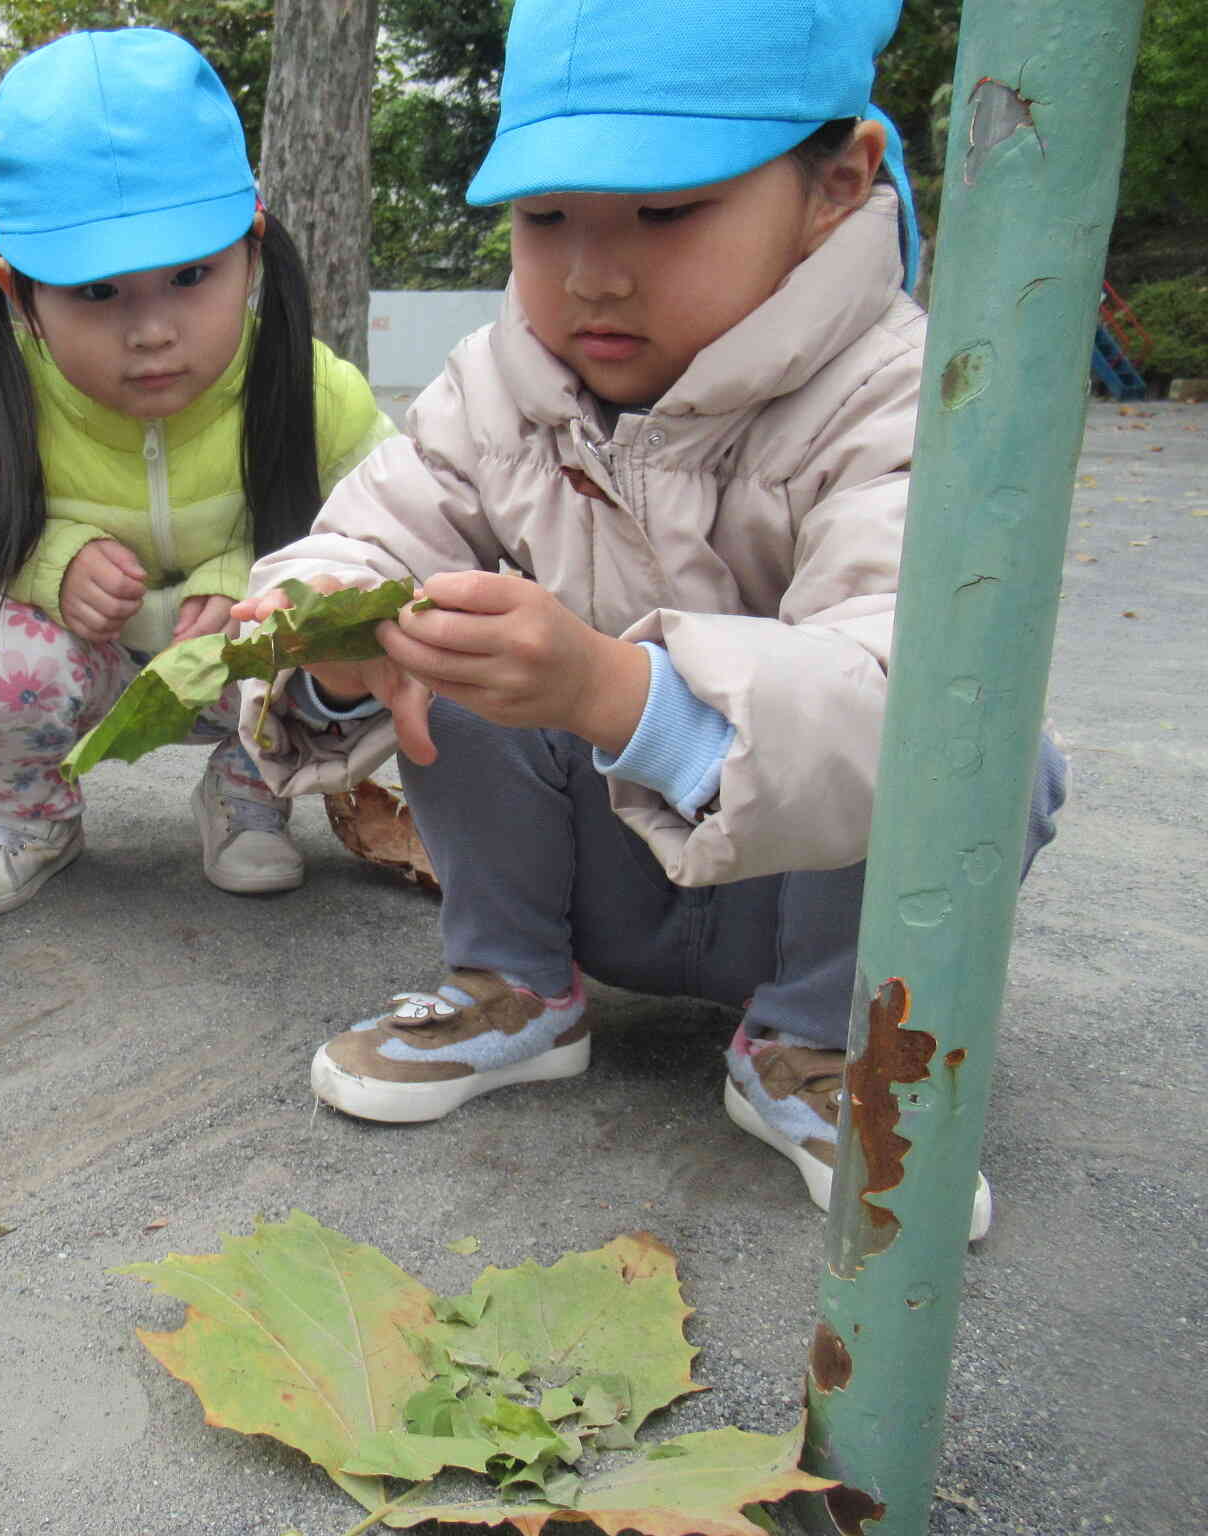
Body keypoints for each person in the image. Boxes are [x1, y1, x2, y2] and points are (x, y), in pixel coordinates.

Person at [231, 0, 1067, 1239]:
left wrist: (607, 692)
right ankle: (513, 987)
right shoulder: (497, 383)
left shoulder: (914, 395)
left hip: (814, 903)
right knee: (438, 627)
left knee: (989, 752)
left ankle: (817, 1045)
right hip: (601, 885)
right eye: (543, 218)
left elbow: (906, 699)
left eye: (666, 214)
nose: (590, 273)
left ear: (833, 186)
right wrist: (329, 646)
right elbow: (364, 534)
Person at [0, 28, 395, 914]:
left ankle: (249, 791)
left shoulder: (304, 382)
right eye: (96, 291)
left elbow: (395, 527)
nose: (151, 331)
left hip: (245, 677)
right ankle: (32, 819)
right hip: (81, 671)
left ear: (252, 252)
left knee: (361, 628)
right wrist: (35, 558)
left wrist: (258, 582)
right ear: (16, 289)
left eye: (191, 275)